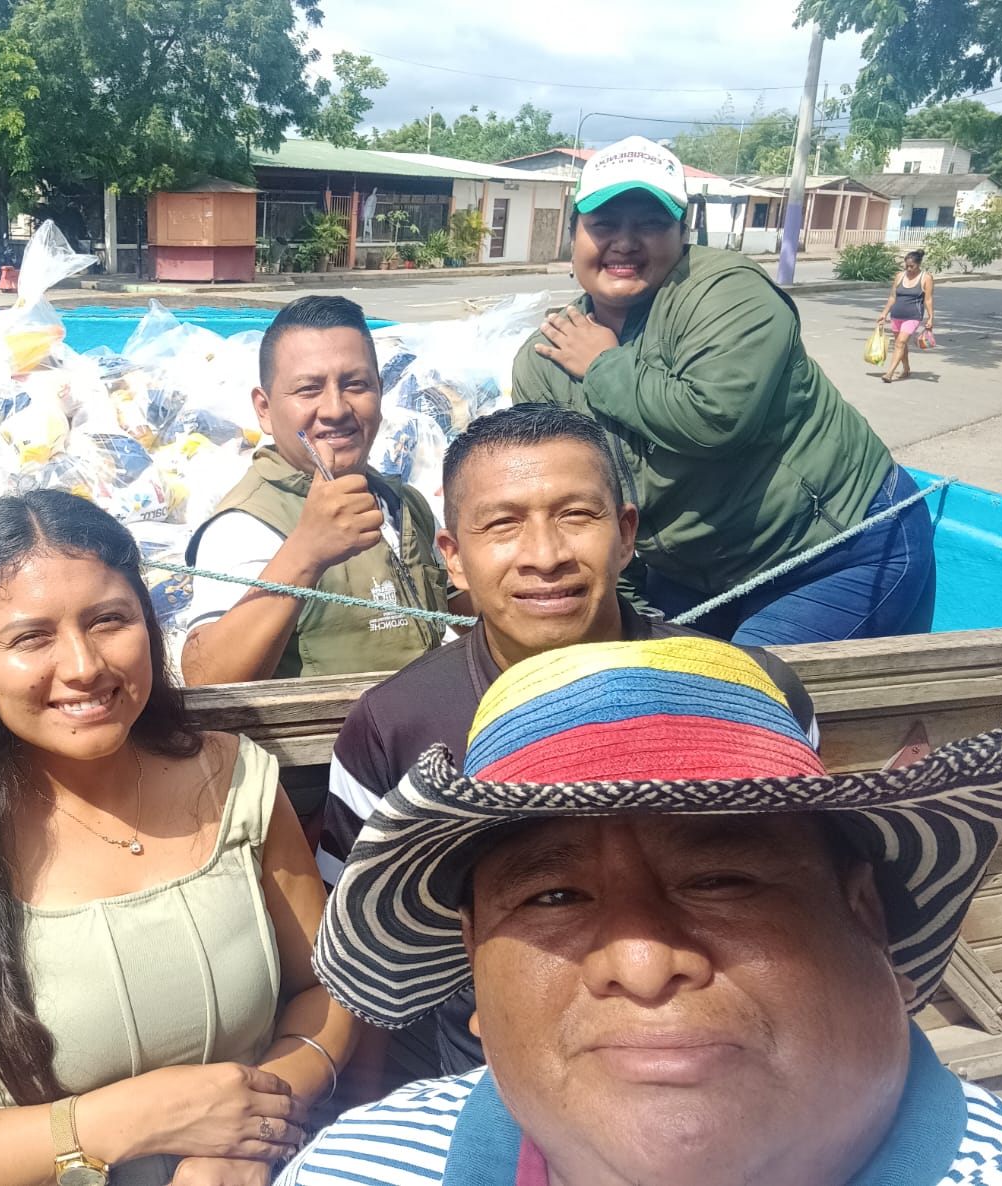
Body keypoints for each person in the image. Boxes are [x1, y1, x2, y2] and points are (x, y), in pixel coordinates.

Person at [284, 636, 1002, 1186]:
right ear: (474, 962)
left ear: (866, 915)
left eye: (721, 881)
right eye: (554, 896)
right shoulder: (354, 1169)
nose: (640, 966)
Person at [0, 490, 357, 1186]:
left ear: (147, 621)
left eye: (108, 620)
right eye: (31, 637)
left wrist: (244, 1136)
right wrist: (127, 1121)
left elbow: (325, 989)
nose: (84, 665)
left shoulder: (234, 779)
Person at [319, 403, 816, 1080]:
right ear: (453, 557)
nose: (546, 556)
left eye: (576, 515)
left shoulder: (748, 698)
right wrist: (370, 1105)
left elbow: (805, 903)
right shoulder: (395, 726)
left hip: (731, 1055)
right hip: (492, 1074)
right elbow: (366, 944)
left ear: (625, 534)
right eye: (502, 524)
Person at [512, 135, 936, 646]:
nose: (624, 242)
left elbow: (715, 421)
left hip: (835, 546)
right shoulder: (542, 360)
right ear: (574, 234)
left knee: (741, 688)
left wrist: (604, 365)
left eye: (651, 223)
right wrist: (622, 607)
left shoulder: (727, 291)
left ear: (683, 232)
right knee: (644, 676)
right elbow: (571, 498)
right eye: (604, 224)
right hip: (698, 573)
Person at [180, 296, 449, 686]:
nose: (335, 409)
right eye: (308, 389)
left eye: (355, 385)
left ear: (380, 391)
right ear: (264, 409)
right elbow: (205, 678)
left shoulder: (404, 504)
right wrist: (306, 552)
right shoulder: (246, 526)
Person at [877, 249, 935, 384]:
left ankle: (889, 373)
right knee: (900, 344)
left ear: (918, 265)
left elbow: (928, 299)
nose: (909, 269)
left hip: (913, 316)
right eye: (907, 266)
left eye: (912, 266)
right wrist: (884, 313)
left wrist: (931, 317)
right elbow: (892, 297)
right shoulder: (899, 276)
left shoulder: (926, 278)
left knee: (900, 343)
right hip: (896, 315)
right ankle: (906, 368)